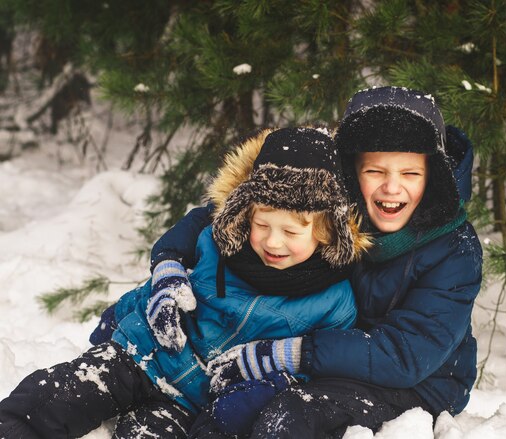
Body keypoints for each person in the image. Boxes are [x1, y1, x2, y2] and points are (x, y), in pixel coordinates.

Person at [144, 86, 483, 438]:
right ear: (353, 171)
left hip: (416, 381)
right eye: (375, 172)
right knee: (236, 404)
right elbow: (221, 216)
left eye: (410, 174)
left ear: (432, 177)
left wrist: (292, 353)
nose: (391, 188)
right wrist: (169, 262)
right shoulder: (336, 202)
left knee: (293, 412)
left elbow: (406, 355)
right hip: (323, 356)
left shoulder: (455, 250)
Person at [0, 127, 370, 439]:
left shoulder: (334, 300)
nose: (273, 242)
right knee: (64, 393)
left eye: (290, 231)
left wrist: (260, 388)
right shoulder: (216, 243)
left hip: (192, 403)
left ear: (326, 232)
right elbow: (163, 280)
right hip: (144, 356)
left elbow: (315, 365)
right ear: (246, 215)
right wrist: (130, 311)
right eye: (262, 225)